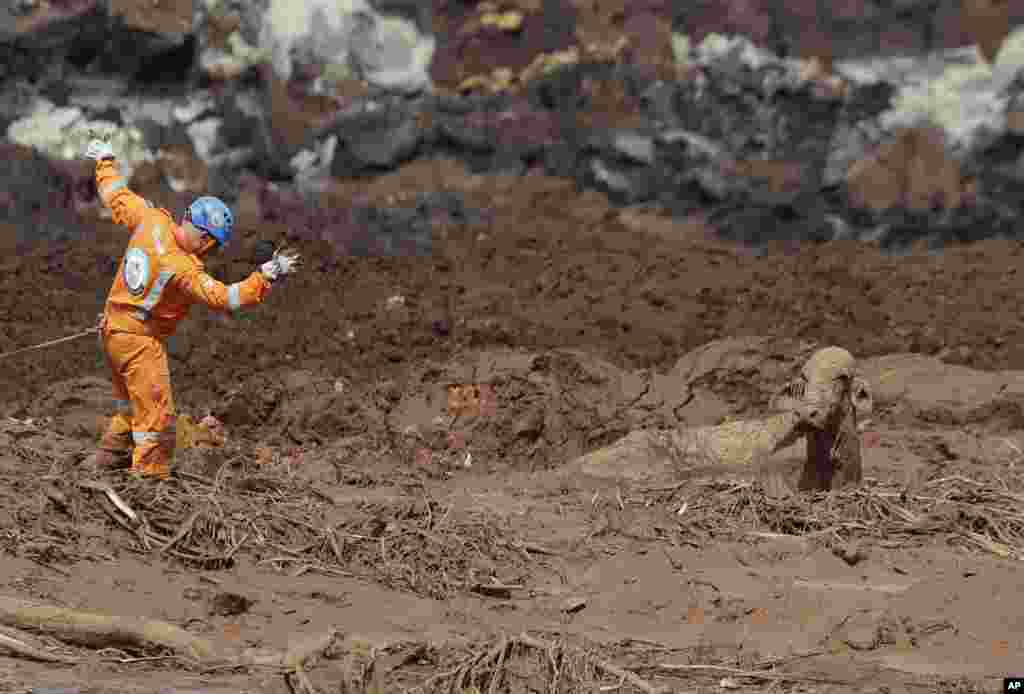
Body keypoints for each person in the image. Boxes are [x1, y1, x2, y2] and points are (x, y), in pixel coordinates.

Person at [82, 134, 302, 480]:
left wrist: (105, 161)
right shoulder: (183, 269)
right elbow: (226, 298)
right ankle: (148, 484)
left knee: (131, 405)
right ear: (208, 238)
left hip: (110, 332)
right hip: (139, 342)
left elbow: (116, 197)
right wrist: (267, 274)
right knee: (156, 417)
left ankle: (106, 461)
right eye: (213, 247)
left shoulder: (152, 220)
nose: (210, 252)